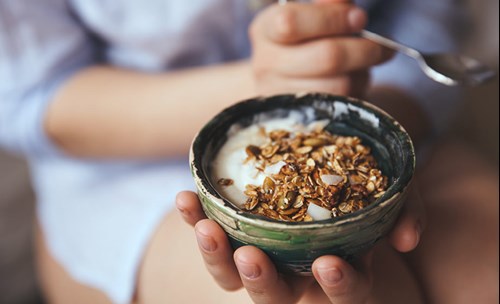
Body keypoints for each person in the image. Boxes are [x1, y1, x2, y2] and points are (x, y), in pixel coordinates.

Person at [0, 0, 497, 304]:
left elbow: (429, 14)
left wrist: (366, 133)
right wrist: (259, 85)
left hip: (378, 103)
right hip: (127, 160)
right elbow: (32, 96)